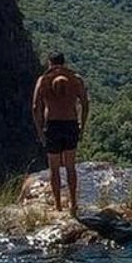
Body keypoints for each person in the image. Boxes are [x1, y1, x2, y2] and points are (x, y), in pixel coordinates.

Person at [31, 53, 89, 215]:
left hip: (52, 126)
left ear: (50, 63)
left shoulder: (43, 80)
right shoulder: (76, 79)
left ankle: (57, 206)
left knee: (54, 168)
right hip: (71, 125)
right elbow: (85, 103)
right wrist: (81, 126)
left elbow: (36, 107)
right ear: (64, 63)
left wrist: (40, 131)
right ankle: (74, 204)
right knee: (70, 167)